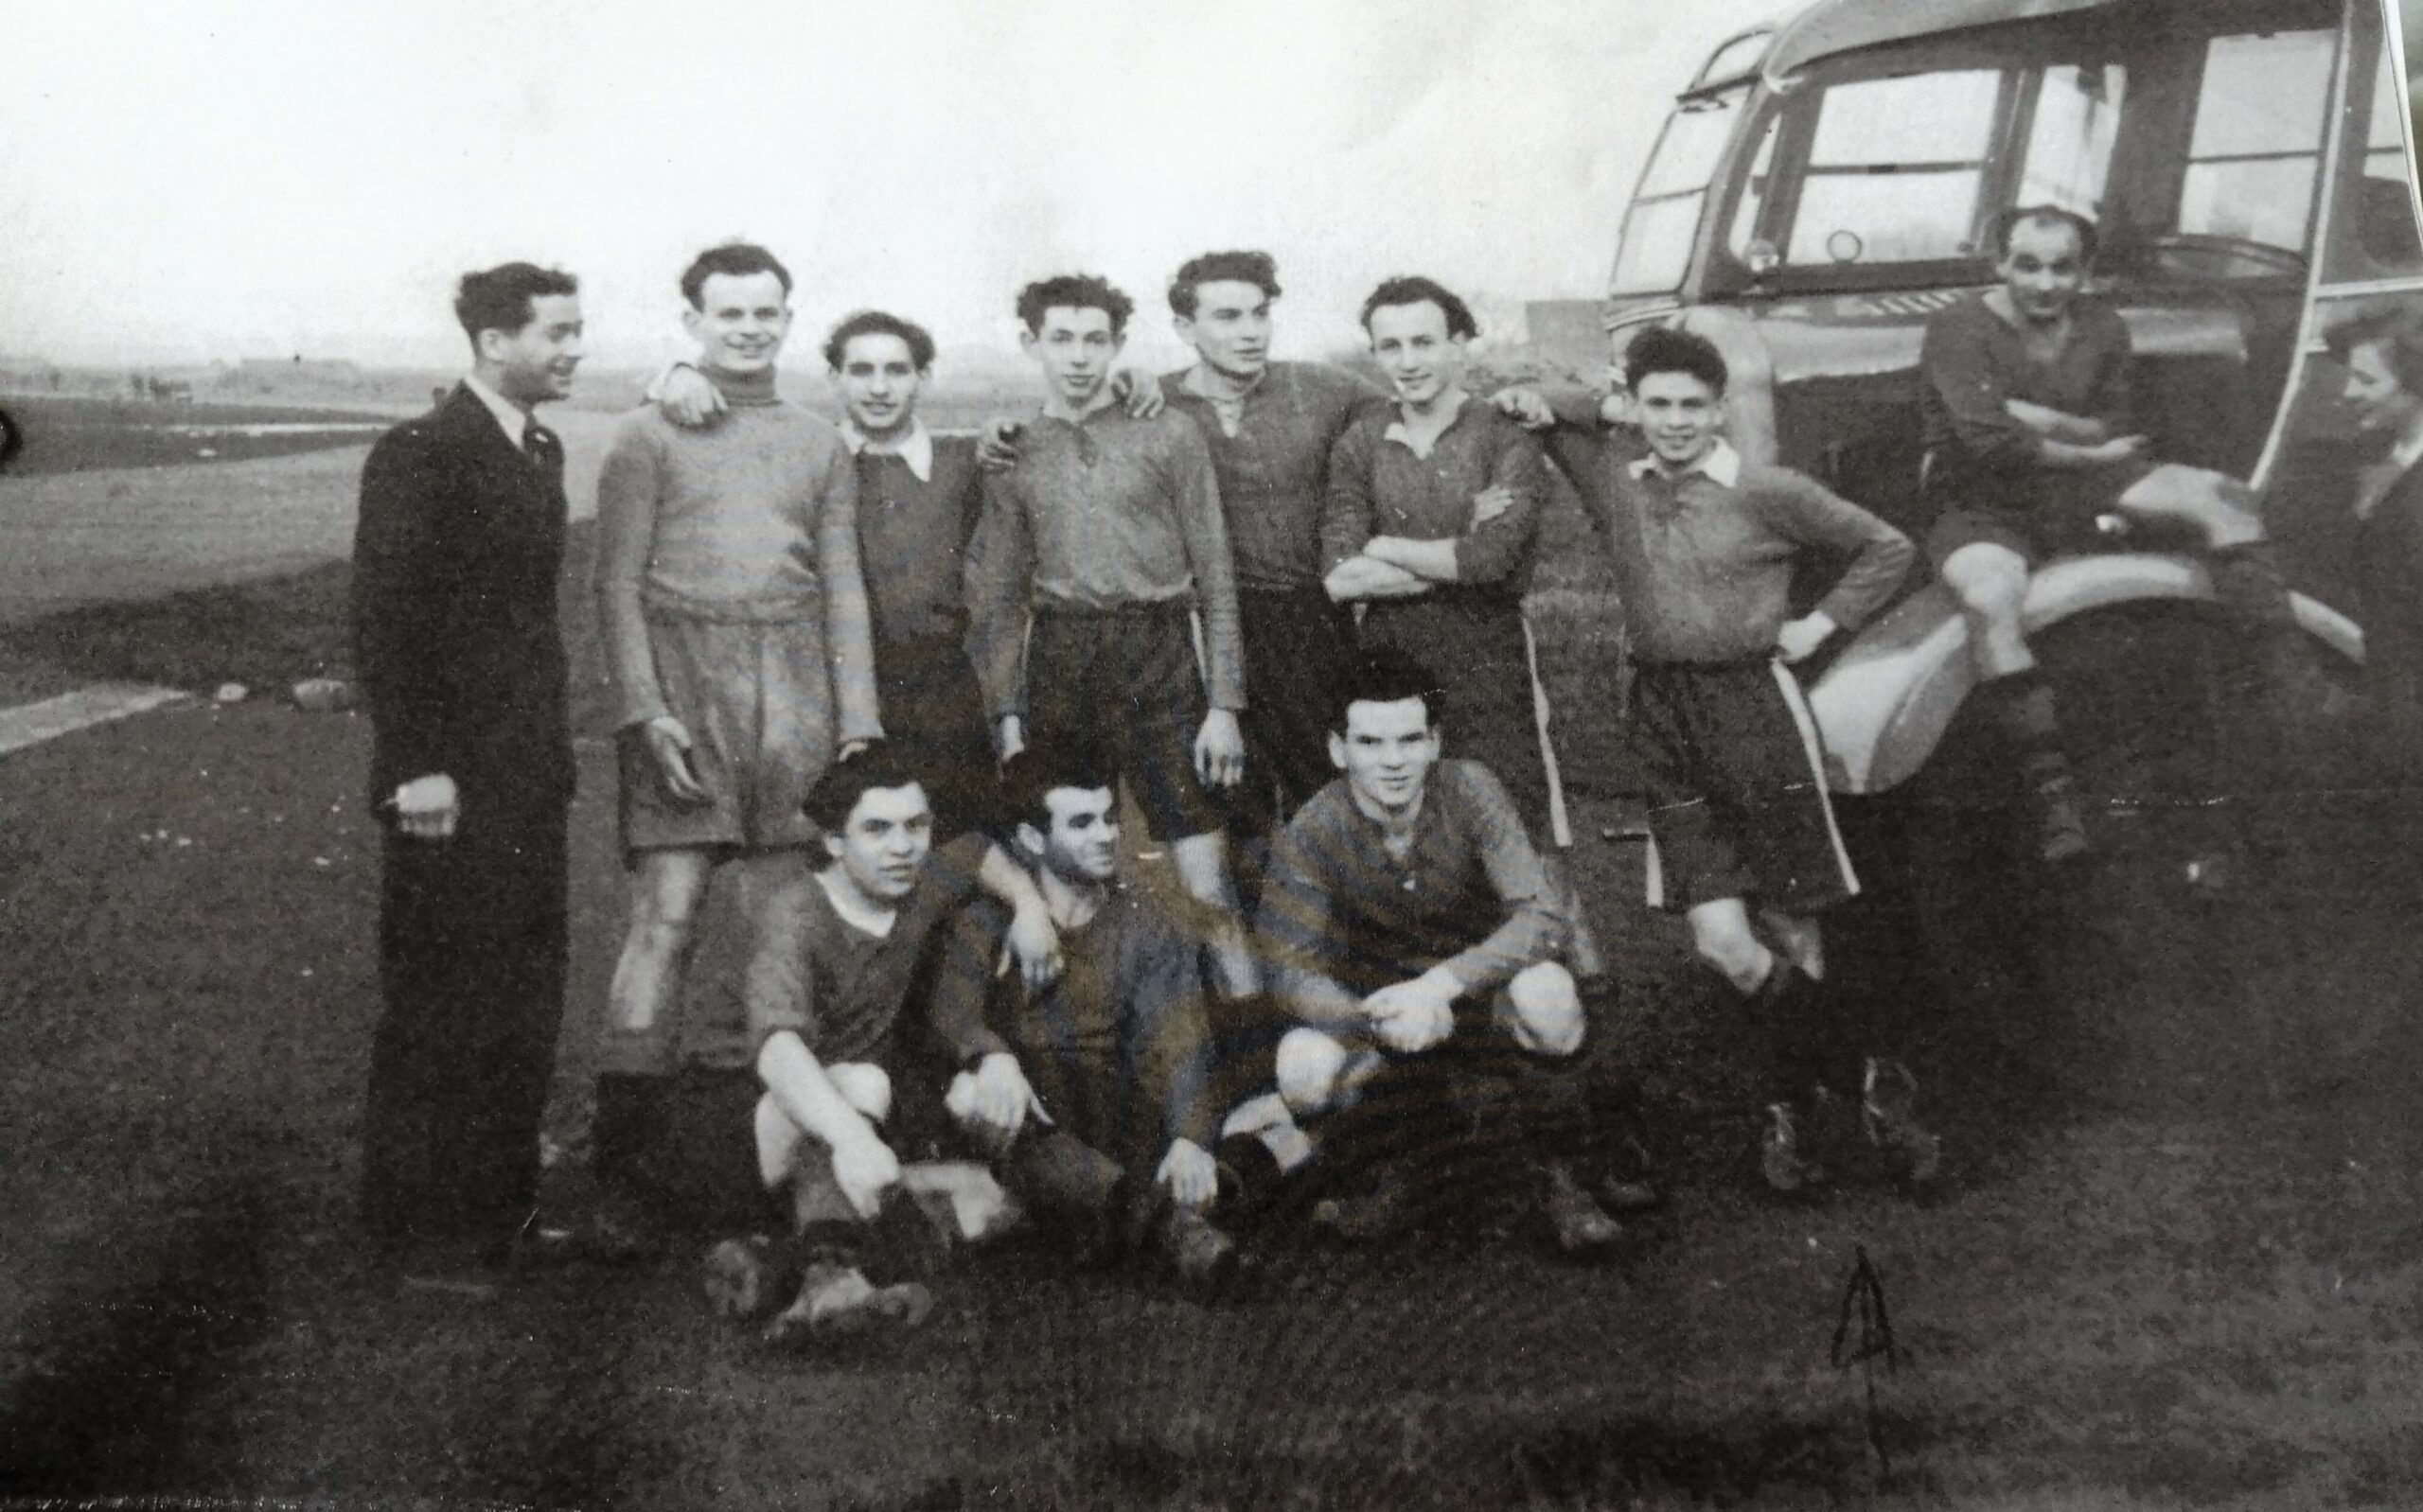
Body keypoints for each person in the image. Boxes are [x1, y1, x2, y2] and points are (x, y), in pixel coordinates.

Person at [1512, 325, 1935, 1193]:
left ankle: (1796, 1117)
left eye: (1692, 406)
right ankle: (1870, 1071)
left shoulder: (1766, 488)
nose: (1674, 422)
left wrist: (1819, 625)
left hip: (1755, 712)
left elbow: (1886, 546)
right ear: (1638, 408)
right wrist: (1604, 404)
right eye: (1657, 404)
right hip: (1663, 718)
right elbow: (1546, 408)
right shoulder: (1614, 483)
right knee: (1721, 943)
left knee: (1791, 925)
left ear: (1720, 409)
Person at [589, 242, 886, 1219]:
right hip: (685, 686)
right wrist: (644, 708)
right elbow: (615, 584)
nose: (750, 330)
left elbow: (842, 587)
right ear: (693, 323)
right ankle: (620, 1173)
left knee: (775, 927)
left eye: (767, 313)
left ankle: (769, 1150)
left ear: (788, 320)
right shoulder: (646, 433)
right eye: (730, 314)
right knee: (666, 920)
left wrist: (858, 724)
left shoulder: (817, 440)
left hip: (794, 689)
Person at [1919, 205, 2299, 862]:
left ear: (2084, 270)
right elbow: (1985, 445)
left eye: (2063, 267)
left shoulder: (2102, 325)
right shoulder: (1959, 327)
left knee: (2225, 500)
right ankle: (2052, 791)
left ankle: (2286, 686)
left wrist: (2032, 417)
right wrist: (2082, 444)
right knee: (1987, 600)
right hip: (1987, 508)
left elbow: (2114, 425)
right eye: (2028, 266)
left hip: (2083, 489)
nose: (2045, 284)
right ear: (2000, 265)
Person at [351, 262, 584, 1292]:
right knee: (443, 1003)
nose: (575, 348)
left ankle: (499, 1210)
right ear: (495, 341)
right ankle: (422, 1237)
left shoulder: (536, 445)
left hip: (527, 780)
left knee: (520, 999)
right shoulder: (421, 453)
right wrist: (418, 766)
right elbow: (387, 620)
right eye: (559, 333)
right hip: (450, 785)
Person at [1255, 648, 1625, 1254]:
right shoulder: (1313, 828)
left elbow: (1540, 916)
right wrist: (1372, 1013)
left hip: (1475, 994)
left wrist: (1441, 987)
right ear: (1337, 750)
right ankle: (1385, 1172)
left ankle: (1565, 1175)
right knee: (1303, 1065)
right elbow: (1289, 971)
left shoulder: (1471, 788)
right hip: (1383, 1012)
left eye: (1409, 739)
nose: (1393, 761)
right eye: (1370, 742)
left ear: (1434, 743)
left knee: (1549, 996)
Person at [969, 273, 1259, 998]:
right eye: (1060, 339)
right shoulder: (1014, 450)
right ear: (1031, 343)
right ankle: (1081, 1052)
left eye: (1095, 339)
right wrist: (1007, 715)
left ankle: (1256, 1074)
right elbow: (1002, 603)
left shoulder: (1168, 430)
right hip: (1064, 660)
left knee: (1205, 878)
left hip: (1161, 656)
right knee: (1065, 873)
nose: (1078, 357)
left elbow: (1216, 572)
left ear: (1119, 345)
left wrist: (1224, 704)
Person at [672, 747, 973, 1346]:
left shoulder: (918, 893)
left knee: (971, 1206)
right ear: (834, 842)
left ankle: (773, 1261)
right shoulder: (798, 914)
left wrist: (1029, 912)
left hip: (824, 1132)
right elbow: (778, 1051)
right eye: (877, 829)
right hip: (734, 1119)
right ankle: (827, 1281)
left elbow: (983, 856)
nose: (903, 846)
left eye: (917, 826)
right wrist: (855, 1138)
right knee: (863, 1085)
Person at [922, 745, 1243, 1286]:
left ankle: (1100, 1221)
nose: (1105, 835)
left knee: (1205, 1150)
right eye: (1081, 823)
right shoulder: (987, 918)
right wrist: (993, 1056)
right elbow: (950, 1013)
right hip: (1020, 1104)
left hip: (1101, 1104)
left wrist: (1190, 1138)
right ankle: (1169, 1232)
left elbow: (1181, 1041)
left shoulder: (1148, 926)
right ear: (1031, 839)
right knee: (975, 1097)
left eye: (1109, 818)